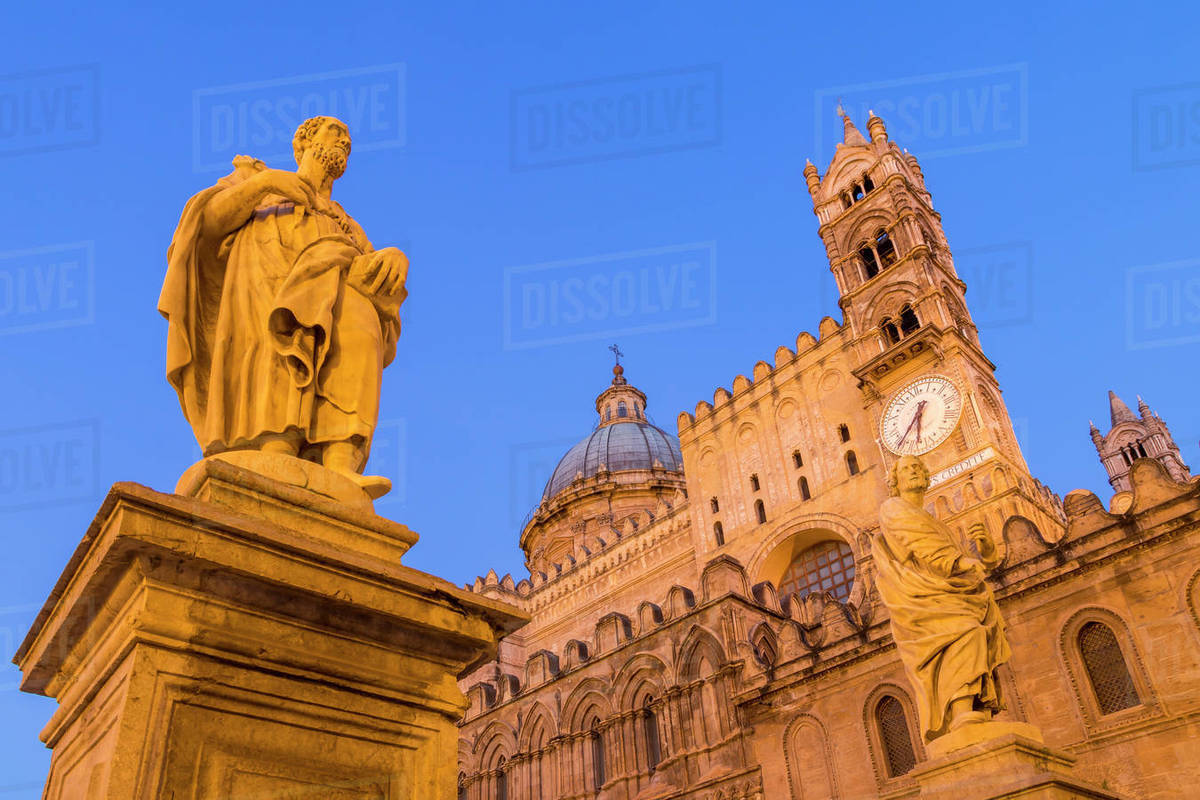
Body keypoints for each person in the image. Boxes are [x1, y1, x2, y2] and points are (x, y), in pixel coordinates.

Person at [159, 116, 408, 498]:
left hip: (334, 293)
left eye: (348, 138)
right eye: (334, 132)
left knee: (359, 327)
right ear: (303, 142)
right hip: (264, 285)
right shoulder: (257, 182)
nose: (344, 141)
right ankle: (274, 448)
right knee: (271, 351)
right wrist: (267, 183)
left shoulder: (347, 224)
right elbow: (205, 224)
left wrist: (392, 260)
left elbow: (371, 271)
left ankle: (340, 463)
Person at [874, 455, 1010, 740]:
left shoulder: (939, 524)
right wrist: (958, 562)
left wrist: (985, 550)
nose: (912, 472)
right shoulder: (892, 508)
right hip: (920, 599)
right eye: (906, 469)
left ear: (925, 477)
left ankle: (977, 708)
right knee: (965, 632)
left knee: (974, 635)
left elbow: (967, 567)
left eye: (916, 468)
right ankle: (961, 712)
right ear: (895, 482)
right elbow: (919, 543)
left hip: (945, 593)